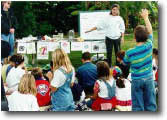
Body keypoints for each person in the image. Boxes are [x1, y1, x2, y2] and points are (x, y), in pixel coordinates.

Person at [121, 9, 157, 111]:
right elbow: (150, 30)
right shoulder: (149, 45)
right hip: (149, 78)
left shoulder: (130, 52)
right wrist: (145, 17)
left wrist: (122, 61)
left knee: (137, 106)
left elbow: (124, 62)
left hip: (136, 80)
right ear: (146, 36)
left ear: (134, 37)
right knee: (150, 103)